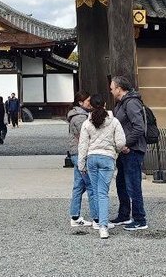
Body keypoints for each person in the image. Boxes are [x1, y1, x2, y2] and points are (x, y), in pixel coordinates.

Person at [78, 94, 125, 239]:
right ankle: (103, 226)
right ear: (105, 104)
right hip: (107, 158)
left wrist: (81, 164)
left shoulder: (87, 123)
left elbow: (83, 145)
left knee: (96, 191)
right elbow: (121, 142)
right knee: (103, 192)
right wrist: (115, 151)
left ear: (90, 106)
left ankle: (98, 220)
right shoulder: (114, 121)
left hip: (92, 158)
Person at [110, 75, 148, 231]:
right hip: (124, 150)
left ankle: (140, 219)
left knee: (133, 184)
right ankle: (124, 214)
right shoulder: (122, 103)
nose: (111, 90)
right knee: (122, 183)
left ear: (119, 88)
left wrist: (126, 144)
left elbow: (139, 127)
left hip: (132, 149)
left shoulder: (131, 103)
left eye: (112, 87)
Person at [66, 91, 93, 229]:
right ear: (81, 103)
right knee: (91, 185)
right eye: (88, 101)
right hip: (80, 153)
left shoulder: (75, 115)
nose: (90, 103)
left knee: (78, 186)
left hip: (75, 152)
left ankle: (75, 216)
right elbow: (85, 136)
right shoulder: (80, 118)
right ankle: (97, 218)